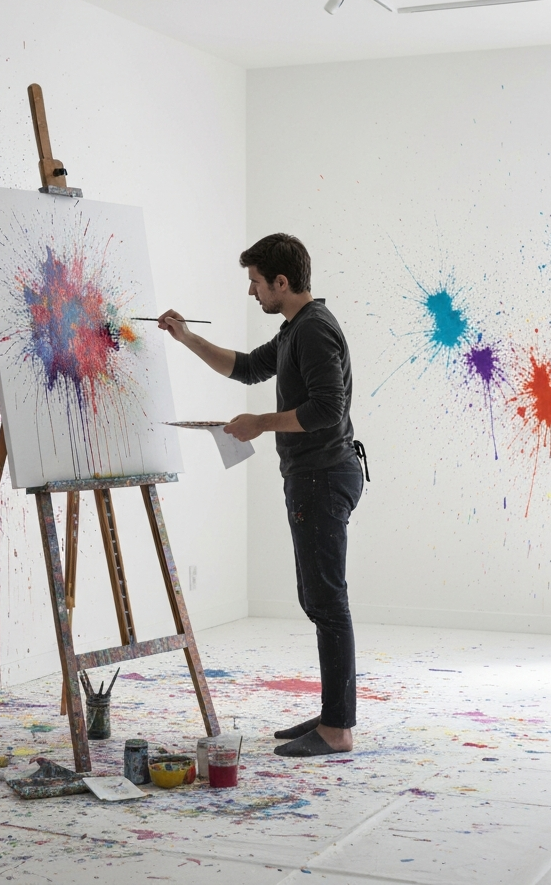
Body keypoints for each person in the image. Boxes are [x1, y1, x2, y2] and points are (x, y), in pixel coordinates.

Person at [158, 232, 365, 757]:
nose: (252, 291)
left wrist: (260, 423)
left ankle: (338, 729)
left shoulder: (314, 330)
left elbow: (328, 410)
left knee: (327, 602)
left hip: (323, 476)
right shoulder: (296, 328)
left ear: (281, 281)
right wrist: (185, 338)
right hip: (313, 476)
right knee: (318, 599)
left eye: (256, 282)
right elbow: (248, 368)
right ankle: (333, 714)